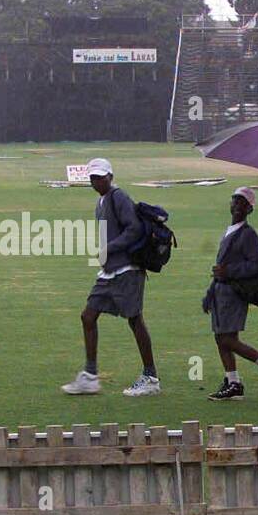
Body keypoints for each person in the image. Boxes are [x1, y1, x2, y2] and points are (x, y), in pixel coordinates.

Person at [61, 157, 160, 396]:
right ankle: (90, 376)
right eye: (92, 178)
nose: (96, 181)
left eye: (100, 177)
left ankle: (151, 378)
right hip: (109, 272)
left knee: (135, 320)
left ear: (110, 177)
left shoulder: (119, 197)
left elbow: (134, 228)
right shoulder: (101, 201)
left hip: (127, 270)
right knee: (88, 316)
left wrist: (110, 248)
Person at [202, 186, 258, 401]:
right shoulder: (230, 230)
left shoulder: (248, 234)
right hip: (221, 292)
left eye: (243, 203)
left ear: (250, 210)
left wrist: (229, 272)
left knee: (228, 339)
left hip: (233, 293)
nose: (238, 206)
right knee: (221, 338)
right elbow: (221, 266)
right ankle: (233, 383)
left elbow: (256, 264)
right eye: (236, 201)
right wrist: (210, 293)